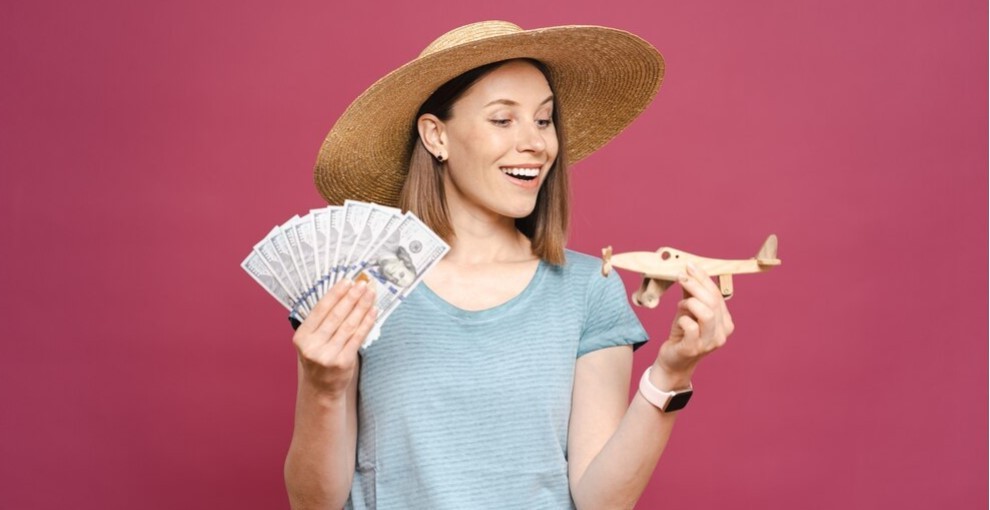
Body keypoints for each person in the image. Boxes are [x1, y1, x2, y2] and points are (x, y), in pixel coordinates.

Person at [285, 21, 735, 509]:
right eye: (503, 120)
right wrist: (322, 389)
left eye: (543, 121)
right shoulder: (361, 289)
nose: (537, 144)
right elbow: (314, 505)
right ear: (436, 136)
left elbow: (601, 502)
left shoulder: (588, 289)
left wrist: (670, 376)